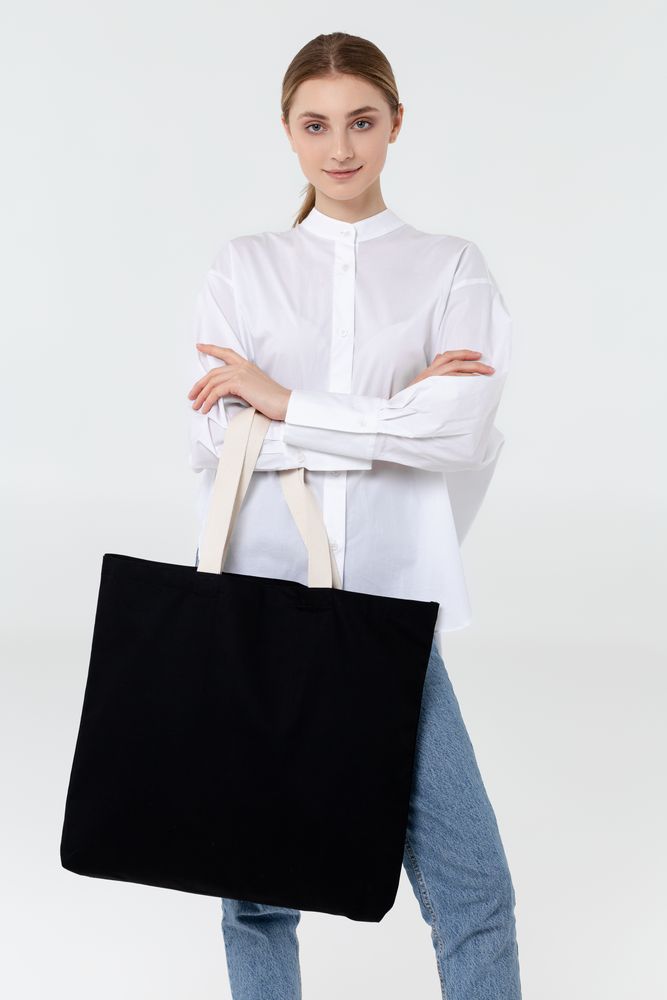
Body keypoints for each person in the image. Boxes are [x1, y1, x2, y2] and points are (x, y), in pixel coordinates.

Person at [185, 30, 522, 1000]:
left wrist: (284, 403)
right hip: (257, 602)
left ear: (395, 124)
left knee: (473, 889)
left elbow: (457, 429)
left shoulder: (450, 267)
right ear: (287, 131)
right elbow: (217, 437)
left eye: (361, 122)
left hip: (389, 613)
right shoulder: (243, 268)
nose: (340, 148)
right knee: (256, 898)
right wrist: (391, 415)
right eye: (316, 125)